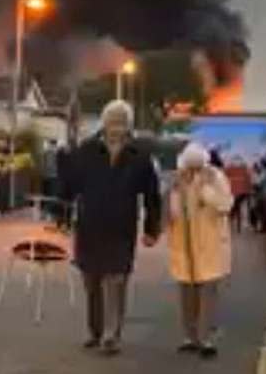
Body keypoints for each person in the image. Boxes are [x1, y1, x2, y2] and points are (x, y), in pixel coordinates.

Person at [62, 100, 161, 356]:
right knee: (91, 280)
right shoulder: (86, 150)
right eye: (113, 123)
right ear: (104, 124)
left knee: (116, 280)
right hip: (89, 226)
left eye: (122, 124)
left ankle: (111, 335)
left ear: (129, 126)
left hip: (121, 228)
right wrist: (61, 217)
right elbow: (70, 186)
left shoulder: (139, 155)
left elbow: (152, 194)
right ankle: (95, 331)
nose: (117, 129)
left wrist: (152, 228)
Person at [168, 142, 232, 358]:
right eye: (190, 167)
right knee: (187, 293)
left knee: (208, 293)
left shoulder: (216, 178)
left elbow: (225, 205)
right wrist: (177, 190)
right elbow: (173, 213)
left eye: (197, 167)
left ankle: (207, 339)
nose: (193, 172)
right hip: (184, 246)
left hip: (210, 244)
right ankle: (190, 336)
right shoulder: (179, 180)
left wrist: (205, 189)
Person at [223, 157, 253, 233]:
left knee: (233, 207)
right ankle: (239, 222)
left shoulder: (228, 169)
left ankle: (232, 219)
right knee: (240, 207)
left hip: (233, 193)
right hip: (242, 193)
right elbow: (249, 181)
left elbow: (223, 180)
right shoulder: (245, 169)